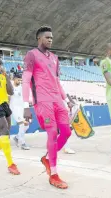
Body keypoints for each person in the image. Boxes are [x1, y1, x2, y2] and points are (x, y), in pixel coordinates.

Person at [22, 26, 74, 189]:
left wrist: (66, 99)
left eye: (51, 37)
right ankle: (54, 174)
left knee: (66, 132)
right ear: (39, 39)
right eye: (47, 37)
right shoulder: (32, 55)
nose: (50, 40)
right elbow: (25, 80)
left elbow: (56, 81)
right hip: (42, 101)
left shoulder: (55, 58)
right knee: (52, 132)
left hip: (57, 100)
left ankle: (46, 158)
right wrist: (26, 105)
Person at [10, 73, 30, 150]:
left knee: (26, 125)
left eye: (21, 80)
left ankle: (17, 137)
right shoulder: (10, 87)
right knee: (22, 124)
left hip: (22, 108)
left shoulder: (22, 88)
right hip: (14, 109)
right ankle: (22, 143)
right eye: (18, 80)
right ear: (14, 79)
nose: (20, 81)